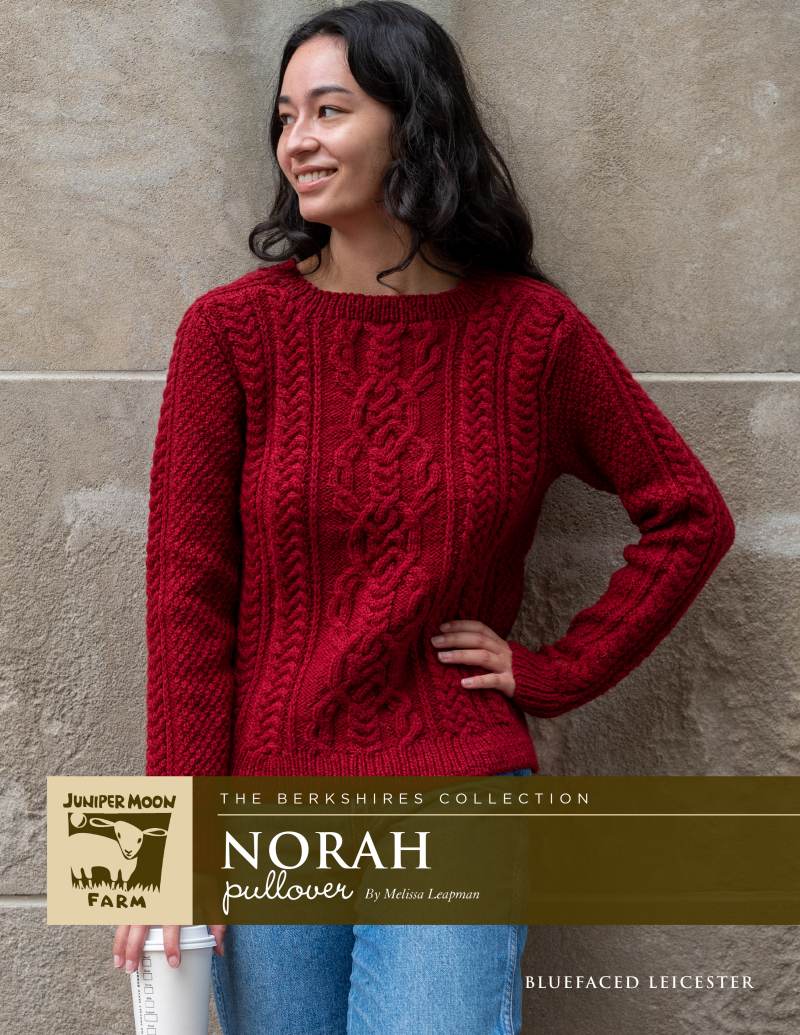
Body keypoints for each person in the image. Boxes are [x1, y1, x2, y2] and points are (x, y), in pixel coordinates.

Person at [113, 2, 736, 1032]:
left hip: (457, 791)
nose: (297, 141)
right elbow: (183, 602)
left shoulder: (530, 334)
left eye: (329, 110)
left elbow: (689, 516)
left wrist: (552, 672)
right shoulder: (228, 332)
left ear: (414, 122)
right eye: (285, 116)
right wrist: (160, 857)